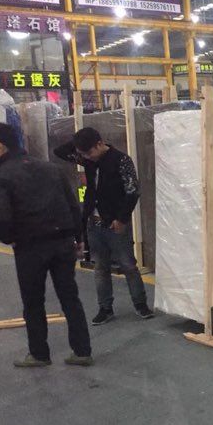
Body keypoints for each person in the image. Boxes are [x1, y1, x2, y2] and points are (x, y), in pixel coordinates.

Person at [0, 123, 93, 367]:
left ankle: (40, 354)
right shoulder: (51, 168)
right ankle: (82, 351)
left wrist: (8, 238)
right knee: (70, 298)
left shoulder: (3, 175)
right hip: (62, 243)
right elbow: (73, 206)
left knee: (33, 302)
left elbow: (3, 217)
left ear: (1, 147)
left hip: (30, 247)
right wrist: (78, 238)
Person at [55, 127, 154, 325]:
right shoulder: (88, 160)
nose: (86, 157)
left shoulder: (121, 160)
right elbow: (60, 151)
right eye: (83, 153)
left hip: (116, 224)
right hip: (93, 223)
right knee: (100, 267)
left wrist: (122, 219)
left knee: (128, 265)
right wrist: (79, 142)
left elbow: (132, 191)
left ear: (100, 144)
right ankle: (105, 308)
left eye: (89, 152)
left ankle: (140, 304)